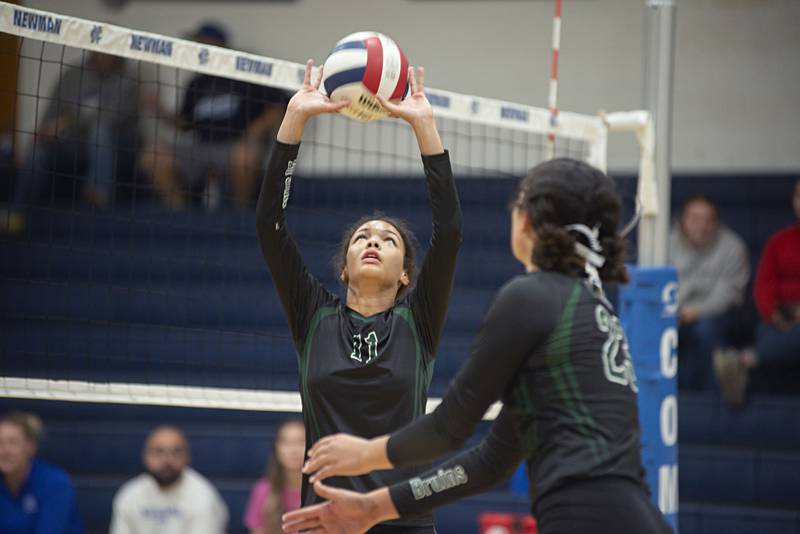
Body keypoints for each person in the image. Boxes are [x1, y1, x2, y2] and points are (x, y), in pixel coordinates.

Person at [284, 158, 673, 534]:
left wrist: (366, 454)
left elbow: (450, 427)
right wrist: (376, 507)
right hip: (630, 512)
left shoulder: (529, 297)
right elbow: (491, 461)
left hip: (585, 515)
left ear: (527, 222)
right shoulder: (586, 305)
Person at [256, 59, 461, 534]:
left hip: (402, 521)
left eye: (388, 240)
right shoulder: (314, 316)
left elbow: (448, 234)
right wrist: (294, 120)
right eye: (362, 237)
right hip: (325, 520)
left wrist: (424, 127)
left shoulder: (418, 322)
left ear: (406, 275)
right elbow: (270, 225)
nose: (373, 241)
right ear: (344, 267)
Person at [141, 23, 287, 209]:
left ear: (217, 45)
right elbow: (185, 124)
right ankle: (180, 214)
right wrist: (159, 110)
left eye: (201, 42)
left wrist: (253, 132)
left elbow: (280, 106)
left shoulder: (245, 74)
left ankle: (239, 216)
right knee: (154, 155)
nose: (197, 48)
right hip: (199, 147)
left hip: (234, 147)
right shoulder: (197, 83)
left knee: (245, 155)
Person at [3, 52, 138, 233]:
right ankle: (18, 213)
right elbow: (51, 117)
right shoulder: (72, 76)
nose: (103, 57)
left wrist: (71, 119)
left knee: (100, 132)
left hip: (114, 146)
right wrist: (45, 131)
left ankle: (97, 201)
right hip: (72, 143)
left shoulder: (128, 81)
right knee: (38, 149)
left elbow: (114, 117)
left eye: (109, 53)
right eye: (100, 52)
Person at [715, 178, 800, 405]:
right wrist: (774, 314)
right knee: (771, 333)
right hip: (780, 317)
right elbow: (763, 288)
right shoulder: (779, 242)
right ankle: (741, 379)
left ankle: (745, 361)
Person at [667, 194, 749, 391]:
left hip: (720, 316)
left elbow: (730, 295)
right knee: (655, 327)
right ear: (682, 220)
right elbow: (662, 288)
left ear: (716, 222)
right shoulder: (666, 243)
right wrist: (678, 312)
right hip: (676, 314)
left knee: (705, 329)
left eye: (707, 219)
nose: (701, 225)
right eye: (694, 218)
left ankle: (712, 400)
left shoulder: (733, 246)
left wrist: (695, 312)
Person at [109, 425, 228, 534]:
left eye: (176, 452)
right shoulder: (130, 495)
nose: (167, 460)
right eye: (159, 452)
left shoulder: (203, 495)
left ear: (187, 458)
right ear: (145, 456)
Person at [0, 411, 83, 534]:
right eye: (0, 443)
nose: (4, 451)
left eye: (12, 443)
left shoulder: (56, 483)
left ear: (31, 447)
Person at [243, 420, 305, 534]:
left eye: (301, 442)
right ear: (277, 448)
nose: (294, 450)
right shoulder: (262, 490)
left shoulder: (324, 490)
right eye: (286, 442)